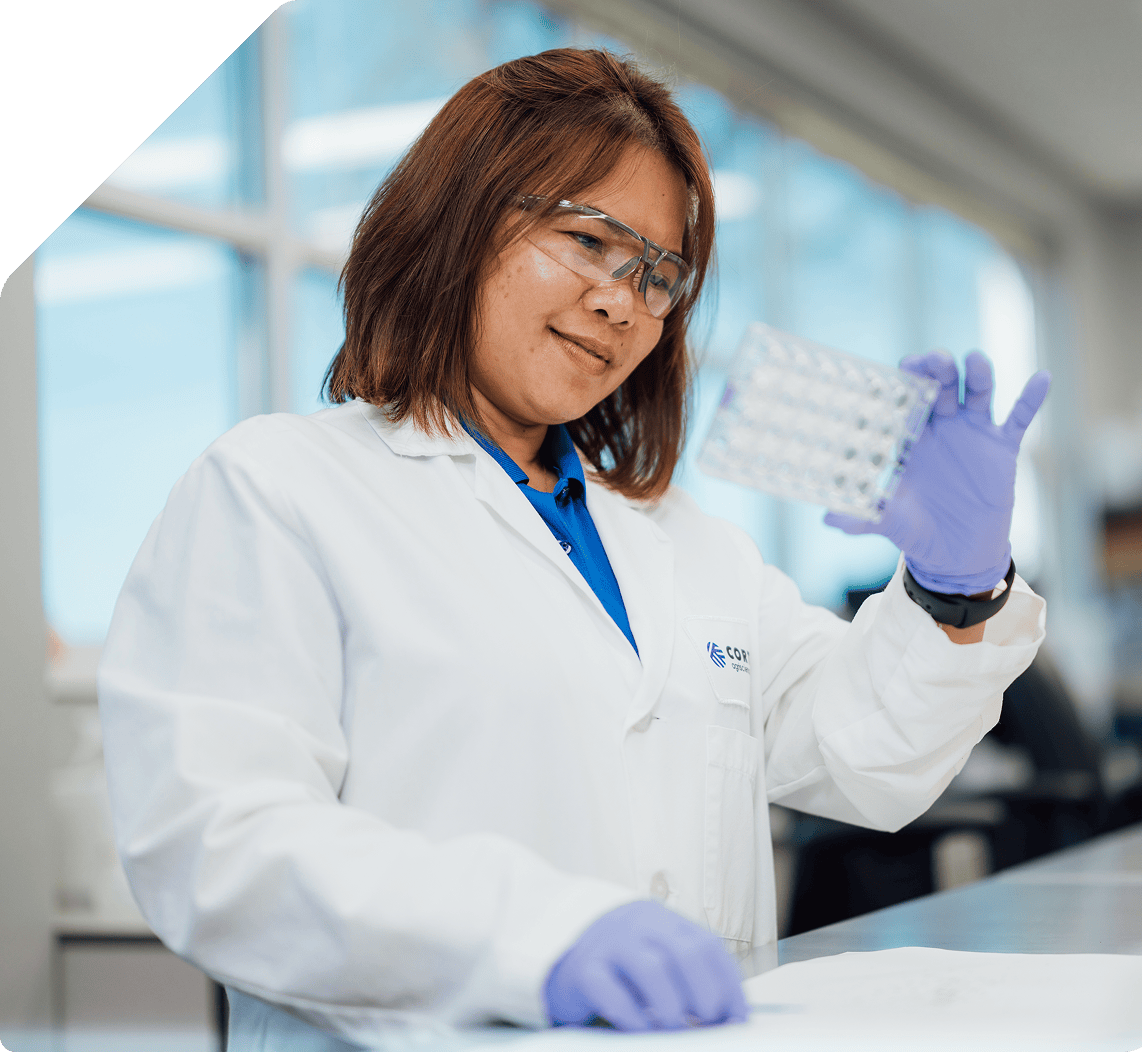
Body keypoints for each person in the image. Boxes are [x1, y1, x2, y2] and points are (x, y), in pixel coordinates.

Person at [97, 48, 1049, 1047]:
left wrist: (956, 585)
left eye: (655, 274)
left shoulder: (687, 549)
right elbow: (217, 845)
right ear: (457, 220)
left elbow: (867, 760)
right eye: (588, 240)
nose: (621, 302)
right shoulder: (279, 489)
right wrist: (537, 938)